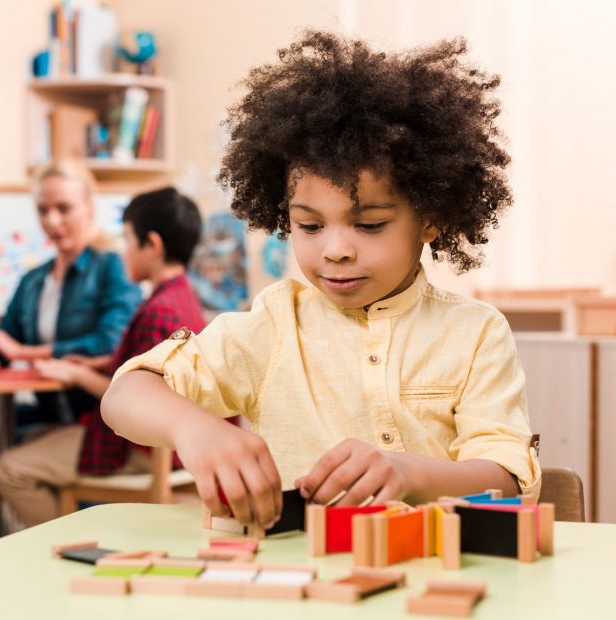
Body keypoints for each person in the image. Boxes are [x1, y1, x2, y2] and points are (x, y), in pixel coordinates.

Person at [101, 31, 540, 530]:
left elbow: (508, 480)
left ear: (431, 218)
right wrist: (195, 429)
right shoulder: (272, 324)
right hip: (303, 578)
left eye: (370, 224)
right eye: (309, 226)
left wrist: (407, 473)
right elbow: (124, 395)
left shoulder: (475, 333)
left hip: (437, 574)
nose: (335, 248)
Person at [0, 187, 207, 527]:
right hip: (158, 443)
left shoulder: (158, 311)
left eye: (128, 240)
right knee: (34, 438)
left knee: (9, 468)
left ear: (153, 245)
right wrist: (88, 364)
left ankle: (67, 549)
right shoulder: (181, 298)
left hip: (140, 448)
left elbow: (142, 397)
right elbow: (143, 366)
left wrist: (76, 375)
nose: (123, 252)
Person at [0, 159, 141, 488]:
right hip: (50, 408)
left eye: (64, 208)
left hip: (93, 415)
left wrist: (26, 351)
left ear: (89, 207)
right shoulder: (34, 279)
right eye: (43, 210)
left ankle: (47, 520)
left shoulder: (112, 267)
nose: (52, 221)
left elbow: (110, 343)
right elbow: (5, 337)